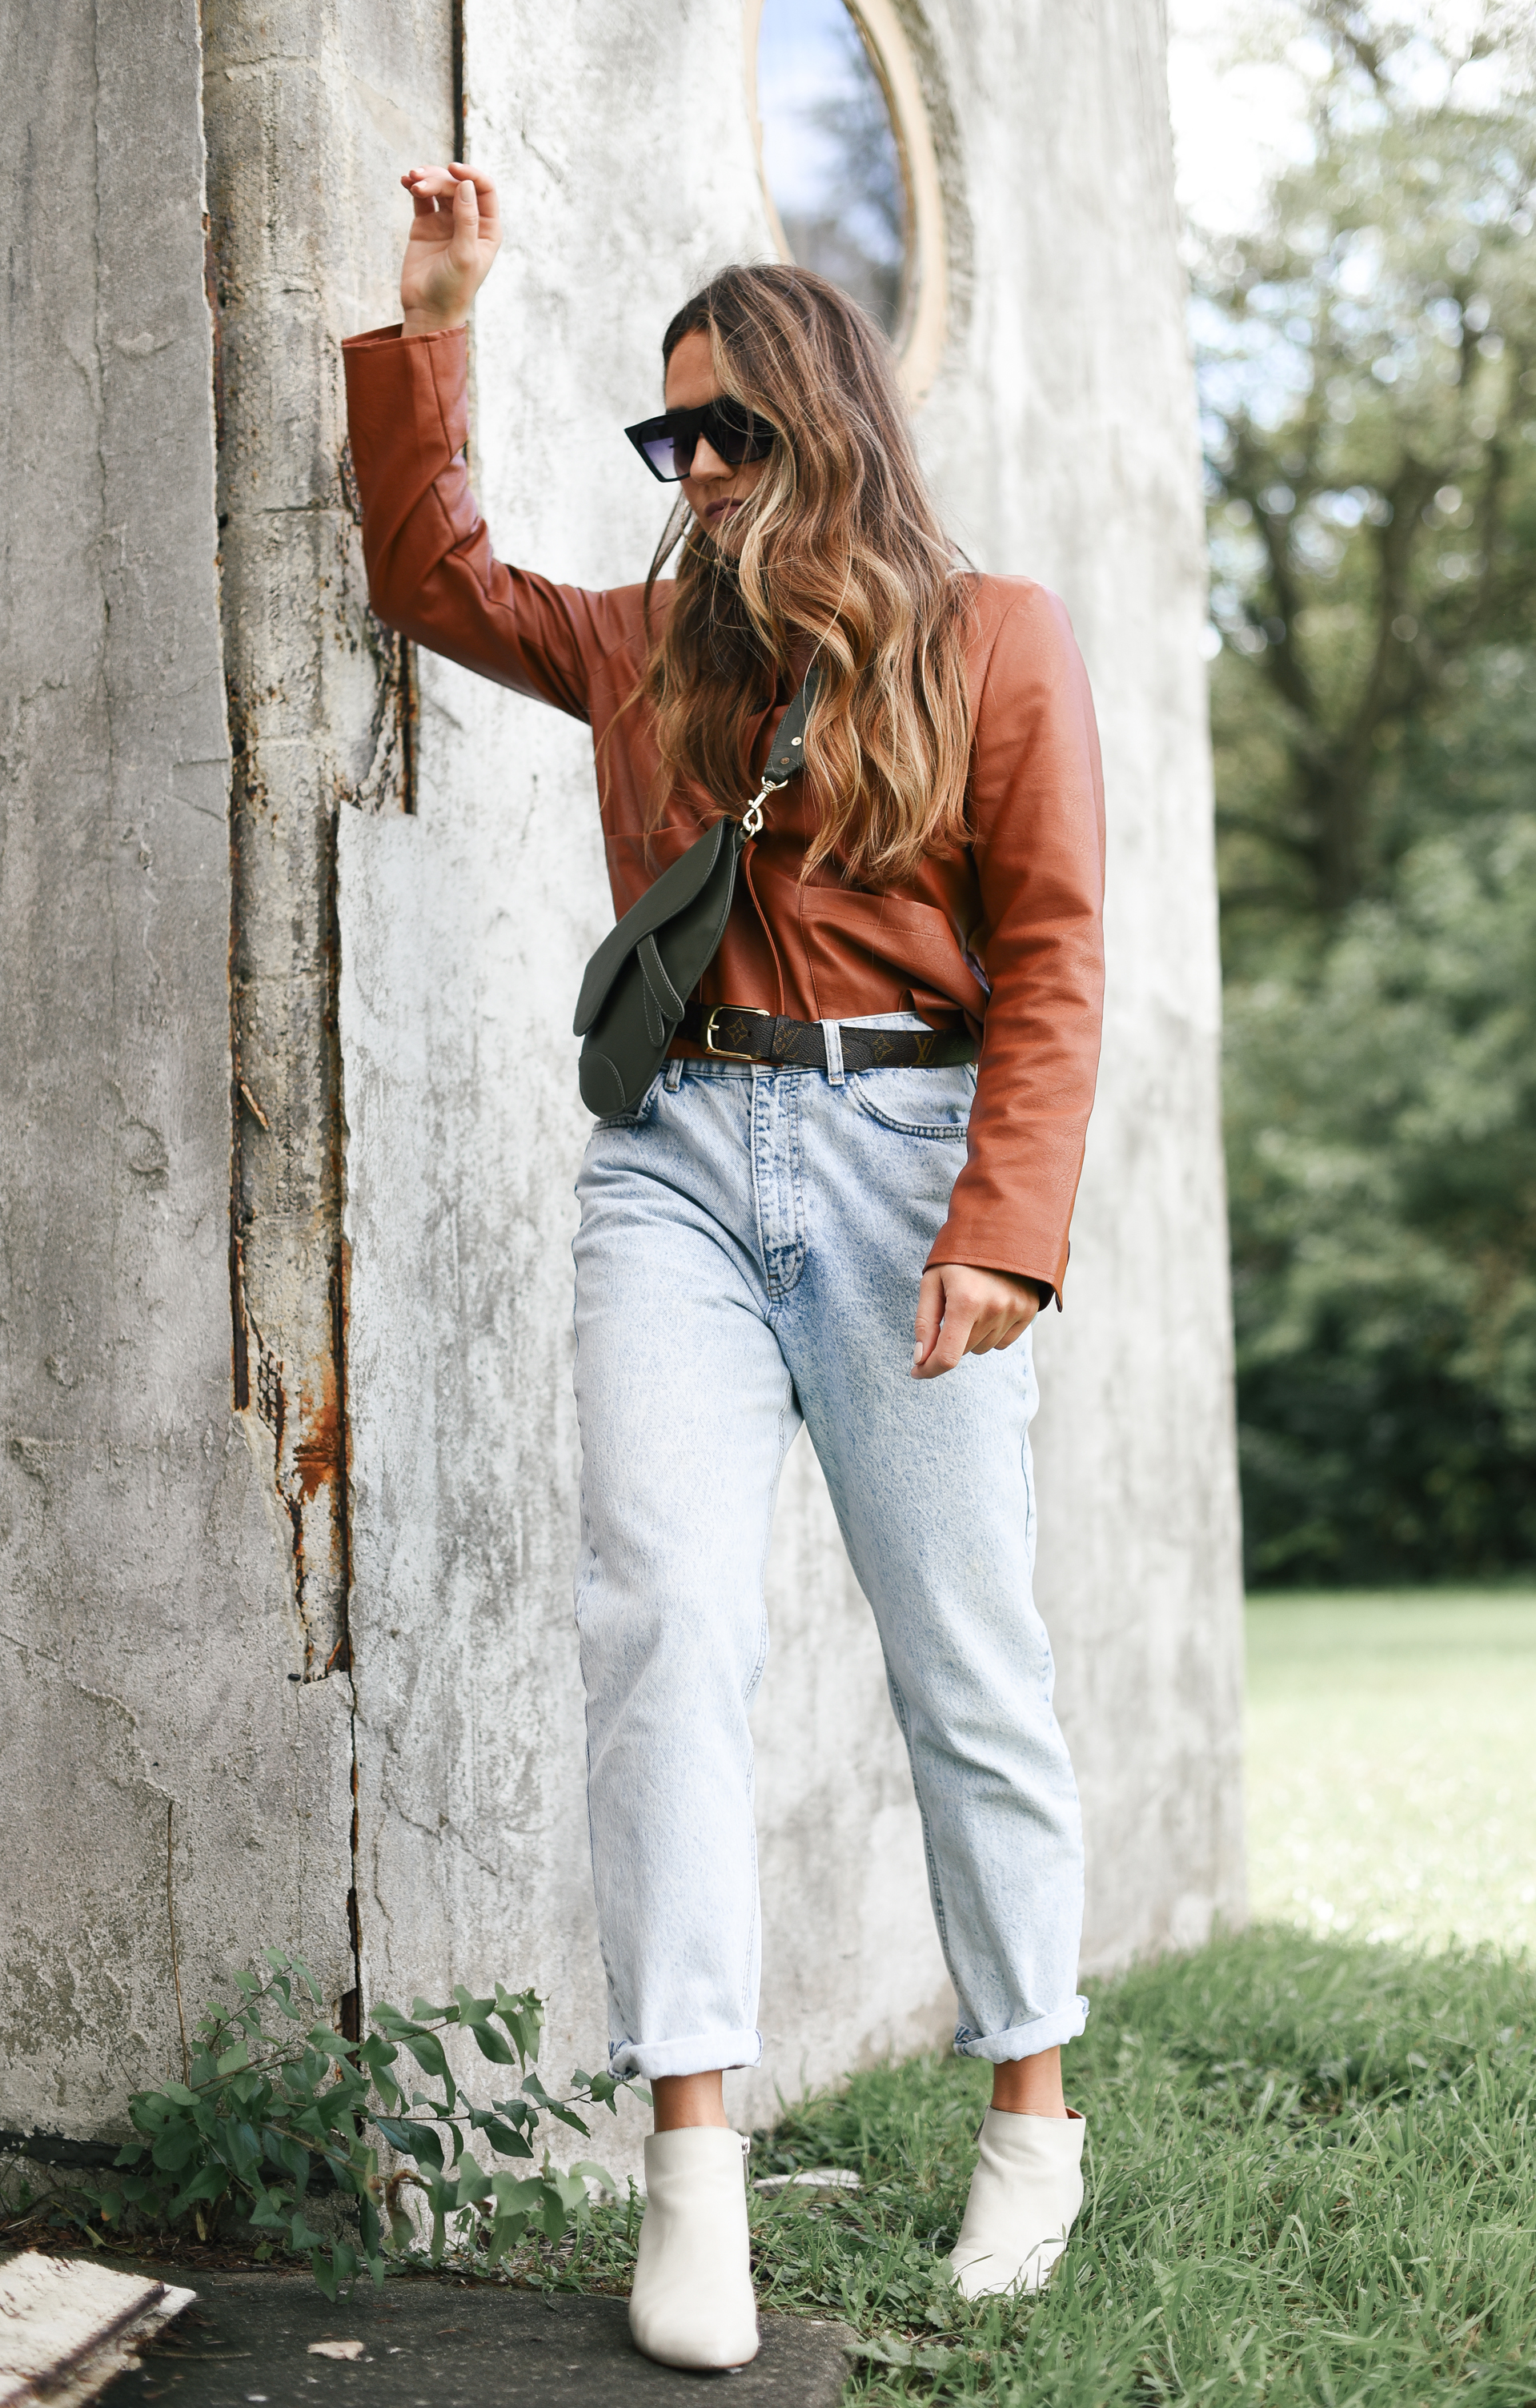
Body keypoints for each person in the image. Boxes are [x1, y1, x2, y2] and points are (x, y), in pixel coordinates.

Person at [343, 159, 1105, 2371]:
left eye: (723, 433)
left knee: (965, 1658)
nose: (685, 474)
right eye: (664, 442)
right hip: (676, 1158)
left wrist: (1009, 1235)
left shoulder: (993, 639)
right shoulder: (637, 651)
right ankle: (693, 2167)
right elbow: (430, 570)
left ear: (823, 426)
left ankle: (1029, 2118)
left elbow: (1055, 956)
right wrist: (433, 319)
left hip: (911, 1155)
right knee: (663, 1621)